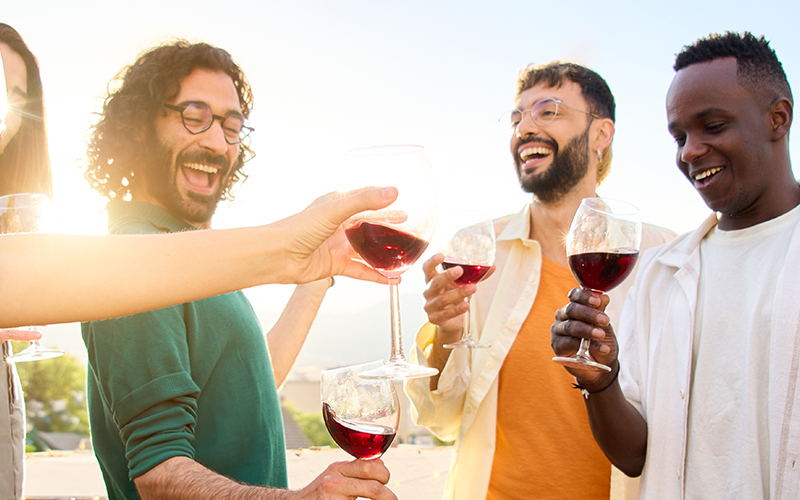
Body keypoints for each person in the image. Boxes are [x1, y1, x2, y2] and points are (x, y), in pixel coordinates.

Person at [0, 24, 396, 500]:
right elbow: (160, 476)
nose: (218, 142)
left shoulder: (195, 260)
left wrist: (316, 277)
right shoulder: (134, 262)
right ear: (139, 126)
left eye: (232, 127)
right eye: (194, 115)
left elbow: (249, 388)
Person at [404, 61, 675, 500]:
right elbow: (439, 418)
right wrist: (446, 333)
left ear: (601, 134)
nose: (525, 128)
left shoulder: (662, 257)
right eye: (517, 118)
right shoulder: (478, 252)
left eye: (548, 111)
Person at [551, 31, 799, 499]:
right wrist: (601, 381)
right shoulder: (660, 271)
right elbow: (635, 456)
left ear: (778, 118)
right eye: (679, 137)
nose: (689, 152)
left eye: (713, 126)